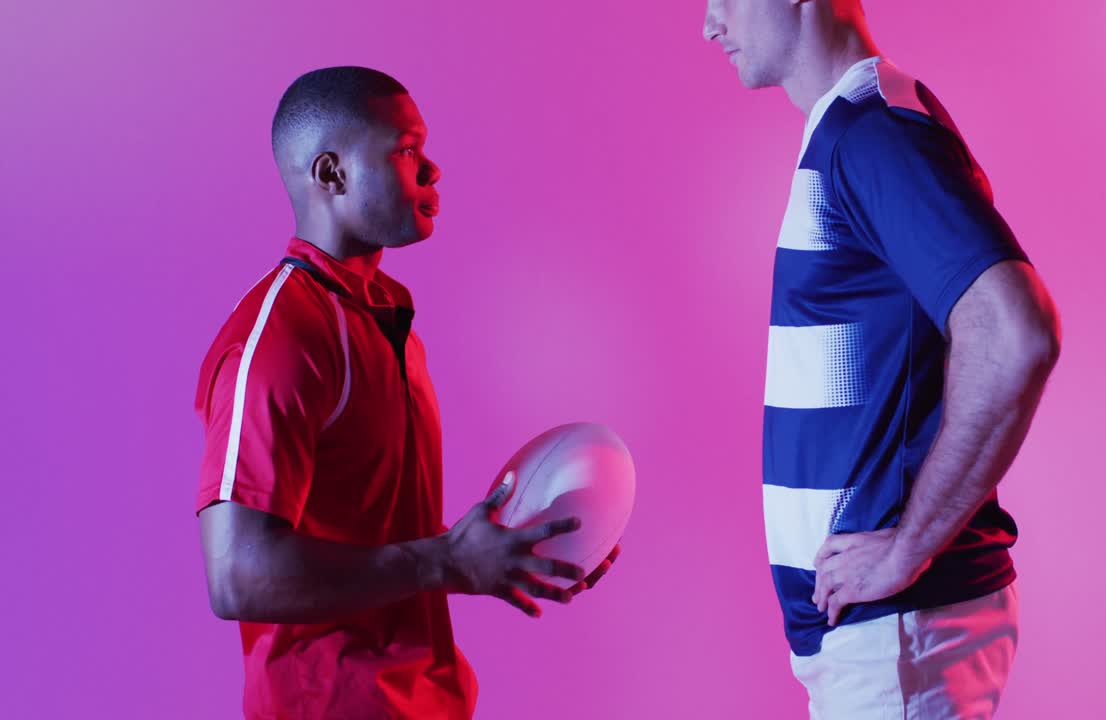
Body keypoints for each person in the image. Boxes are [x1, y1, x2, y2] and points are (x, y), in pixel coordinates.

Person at [193, 66, 617, 719]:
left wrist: (504, 553)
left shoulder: (384, 310)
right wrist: (444, 563)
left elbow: (379, 536)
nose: (432, 170)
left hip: (424, 701)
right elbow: (238, 576)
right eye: (406, 149)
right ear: (331, 175)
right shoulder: (278, 338)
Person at [702, 2, 1061, 717]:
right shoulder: (851, 128)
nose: (710, 24)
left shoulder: (872, 135)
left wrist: (905, 550)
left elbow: (1017, 333)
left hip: (899, 634)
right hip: (880, 640)